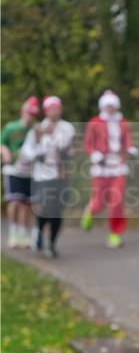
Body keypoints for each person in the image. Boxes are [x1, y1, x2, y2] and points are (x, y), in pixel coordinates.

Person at [81, 89, 138, 249]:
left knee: (116, 201)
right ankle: (90, 211)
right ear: (102, 107)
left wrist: (131, 149)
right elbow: (88, 144)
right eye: (107, 105)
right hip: (101, 167)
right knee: (99, 201)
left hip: (118, 166)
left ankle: (115, 233)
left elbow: (128, 141)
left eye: (113, 105)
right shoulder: (95, 122)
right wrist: (95, 155)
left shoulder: (122, 123)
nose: (110, 108)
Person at [19, 96, 75, 258]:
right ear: (46, 110)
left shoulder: (67, 128)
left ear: (61, 109)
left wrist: (68, 153)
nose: (54, 111)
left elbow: (71, 149)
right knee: (46, 206)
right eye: (51, 108)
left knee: (58, 210)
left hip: (61, 174)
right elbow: (26, 152)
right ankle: (39, 231)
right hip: (42, 175)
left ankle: (51, 243)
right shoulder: (38, 129)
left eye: (57, 108)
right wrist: (39, 153)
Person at [1, 96, 40, 248]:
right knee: (14, 201)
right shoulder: (11, 127)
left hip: (30, 172)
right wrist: (5, 153)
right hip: (13, 170)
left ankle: (23, 234)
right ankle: (13, 232)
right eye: (28, 113)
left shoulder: (36, 129)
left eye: (32, 114)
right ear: (23, 111)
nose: (29, 116)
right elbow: (1, 142)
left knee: (26, 204)